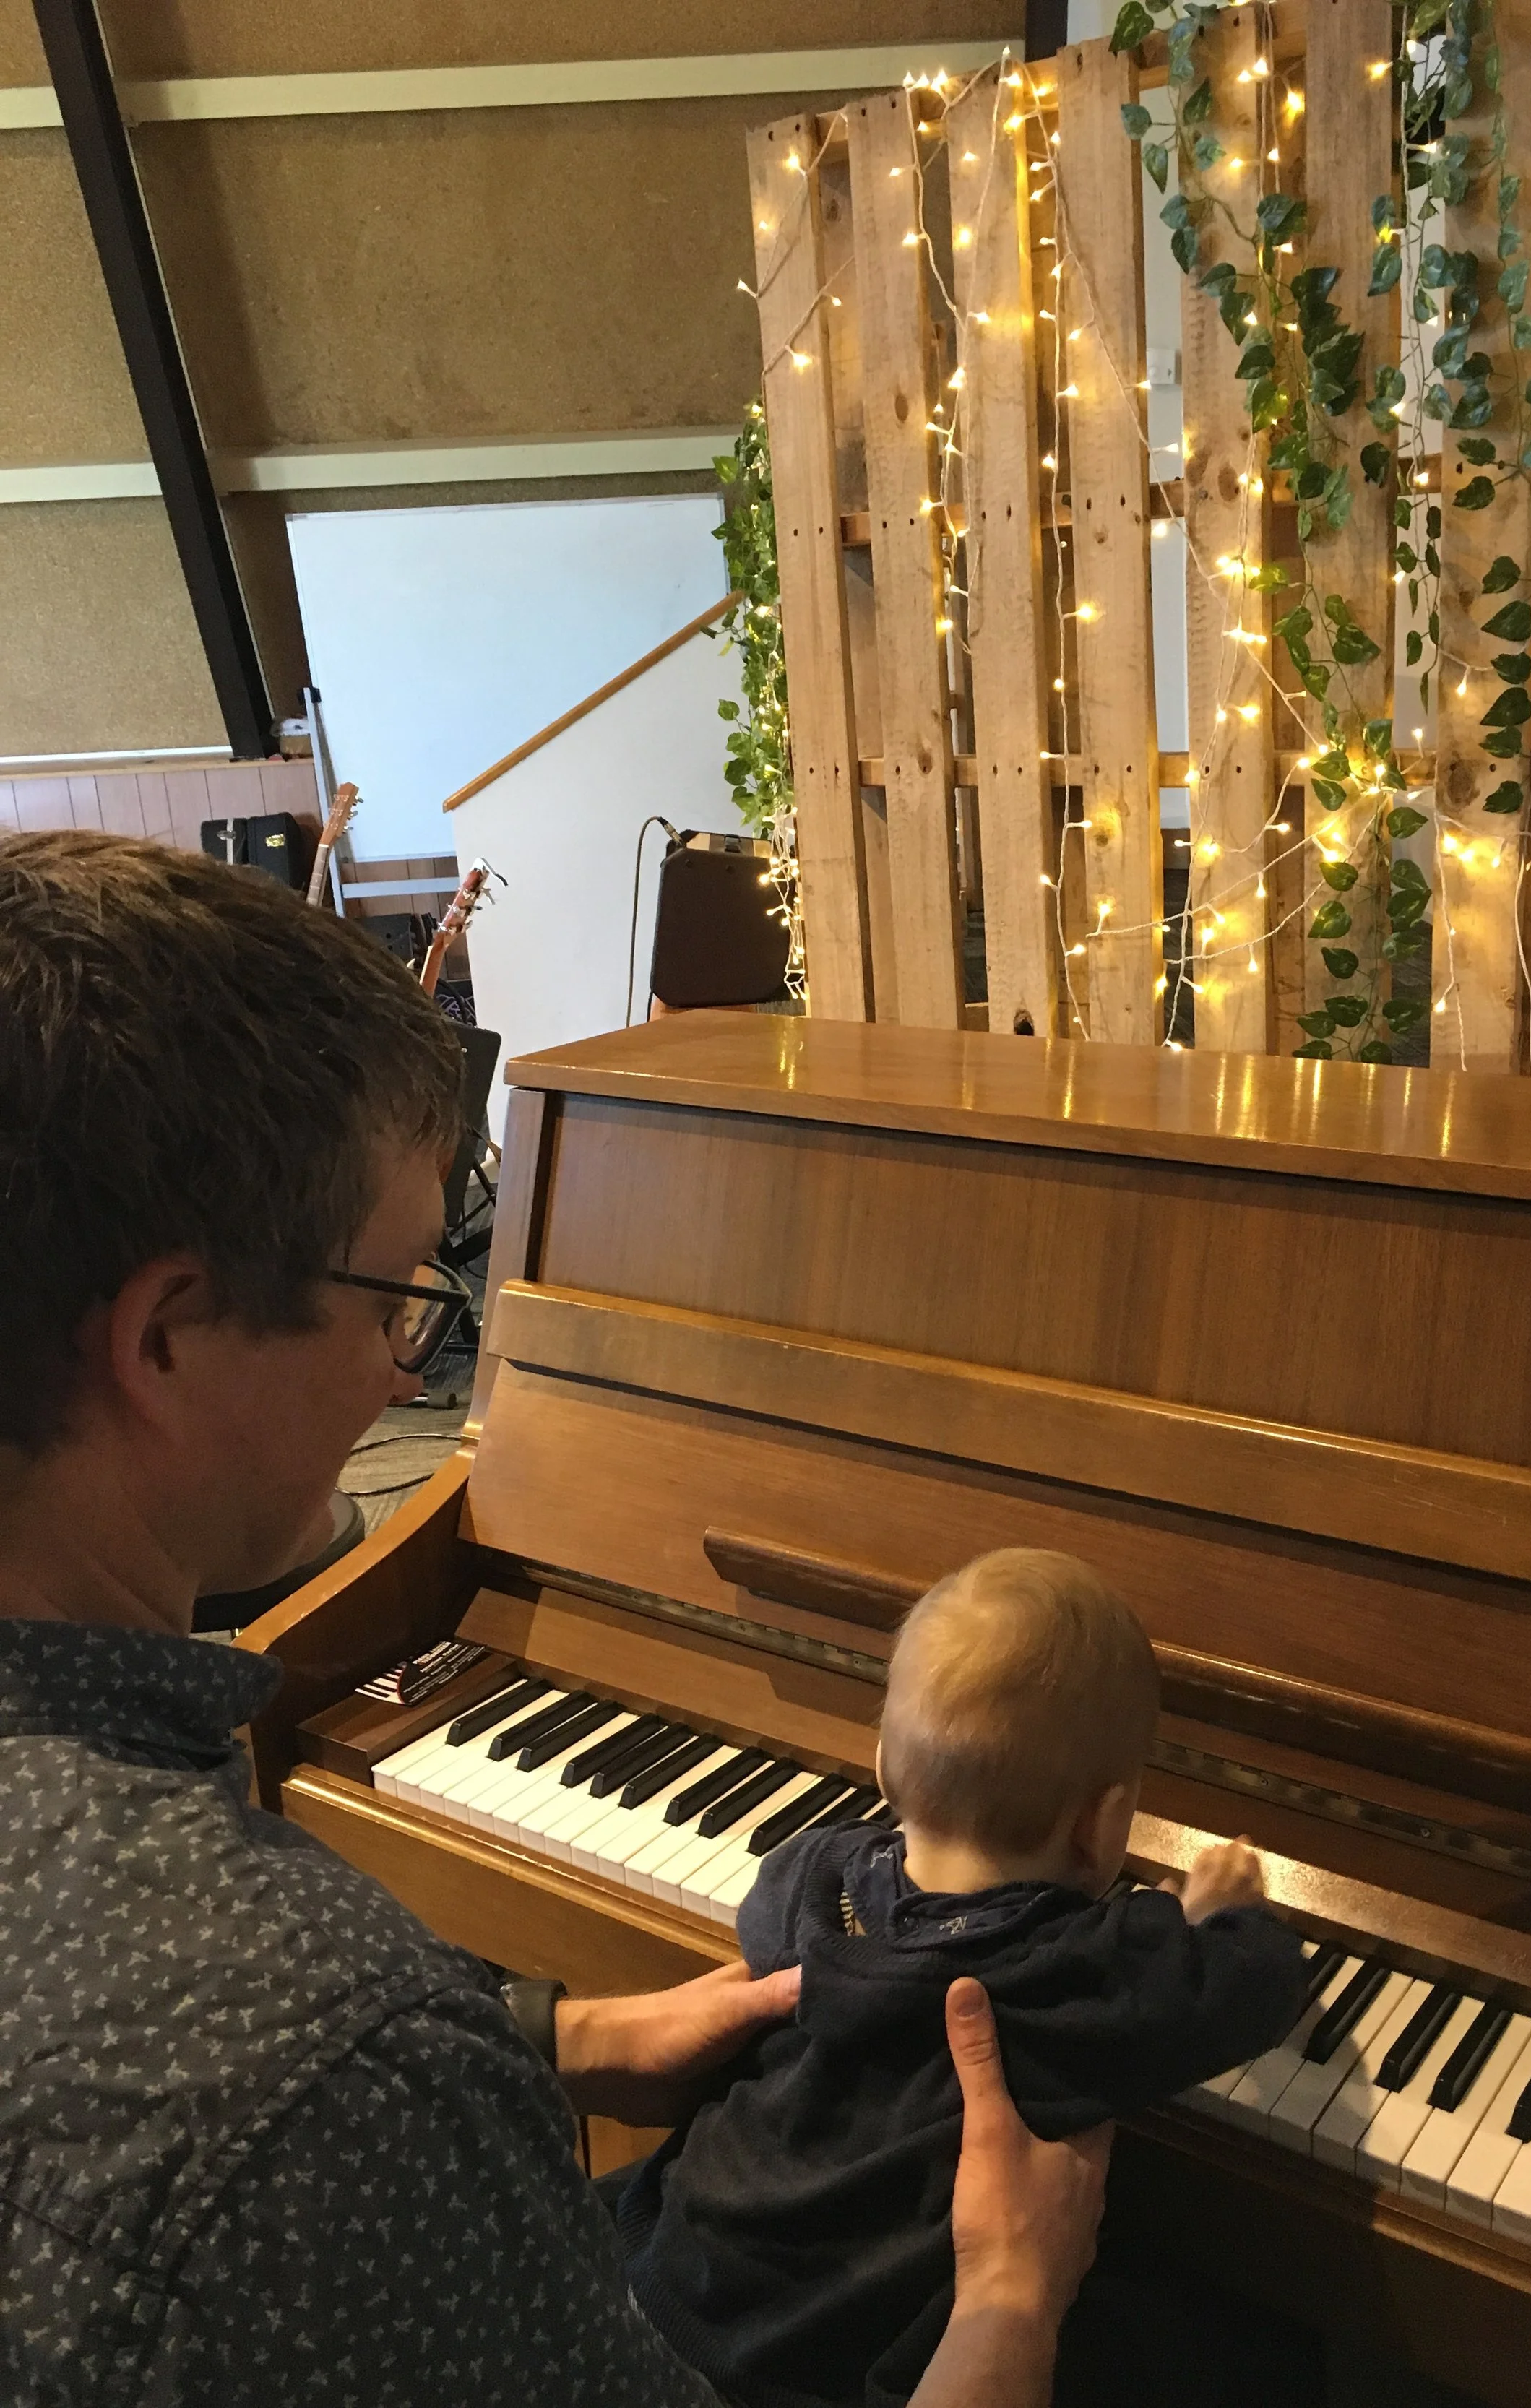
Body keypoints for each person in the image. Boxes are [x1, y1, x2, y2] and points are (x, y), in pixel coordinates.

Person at [0, 830, 1108, 2408]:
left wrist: (555, 2033)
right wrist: (1007, 2296)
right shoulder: (319, 2056)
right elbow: (272, 2103)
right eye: (392, 1295)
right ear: (165, 1339)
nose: (406, 1371)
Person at [616, 1548, 1311, 2408]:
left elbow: (763, 1919)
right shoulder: (1082, 1970)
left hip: (667, 2267)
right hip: (819, 2373)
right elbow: (1260, 1984)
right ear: (1102, 1828)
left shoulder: (812, 1879)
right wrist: (1214, 1907)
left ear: (881, 1766)